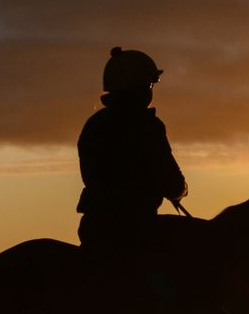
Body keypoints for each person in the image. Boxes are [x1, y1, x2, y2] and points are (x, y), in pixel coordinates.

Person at [76, 47, 187, 254]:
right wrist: (181, 190)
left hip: (94, 226)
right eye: (150, 85)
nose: (151, 90)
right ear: (140, 89)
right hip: (136, 228)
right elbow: (172, 182)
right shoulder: (147, 125)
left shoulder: (93, 124)